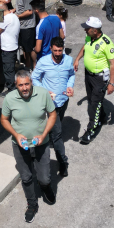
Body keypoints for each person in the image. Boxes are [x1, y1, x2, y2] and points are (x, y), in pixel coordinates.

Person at [0, 70, 57, 223]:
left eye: (27, 84)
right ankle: (32, 204)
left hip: (41, 143)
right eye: (20, 85)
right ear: (16, 85)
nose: (24, 88)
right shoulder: (10, 99)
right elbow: (4, 119)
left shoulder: (43, 94)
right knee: (26, 177)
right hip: (20, 145)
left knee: (44, 178)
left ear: (31, 82)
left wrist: (44, 134)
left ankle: (45, 187)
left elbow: (52, 114)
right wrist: (16, 135)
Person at [32, 37, 75, 178]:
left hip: (63, 101)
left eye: (60, 51)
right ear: (51, 48)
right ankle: (63, 163)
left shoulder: (68, 60)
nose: (57, 53)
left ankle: (49, 140)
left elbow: (71, 75)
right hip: (50, 105)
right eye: (55, 50)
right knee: (57, 134)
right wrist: (45, 91)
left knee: (56, 128)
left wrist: (70, 86)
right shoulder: (43, 61)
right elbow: (34, 78)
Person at [73, 17, 114, 145]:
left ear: (94, 30)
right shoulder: (89, 37)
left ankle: (91, 130)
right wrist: (77, 59)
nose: (85, 30)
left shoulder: (106, 43)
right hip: (88, 75)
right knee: (92, 99)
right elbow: (85, 47)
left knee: (94, 104)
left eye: (87, 28)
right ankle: (102, 116)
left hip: (99, 79)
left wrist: (111, 83)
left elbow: (113, 64)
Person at [9, 0, 36, 70]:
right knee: (25, 48)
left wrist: (17, 16)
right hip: (22, 26)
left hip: (28, 26)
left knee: (30, 49)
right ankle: (28, 67)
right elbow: (22, 6)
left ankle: (35, 68)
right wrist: (14, 10)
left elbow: (29, 11)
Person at [0, 2, 20, 93]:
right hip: (13, 46)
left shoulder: (6, 19)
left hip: (8, 48)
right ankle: (9, 83)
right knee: (10, 68)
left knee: (8, 70)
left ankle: (11, 89)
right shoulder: (14, 16)